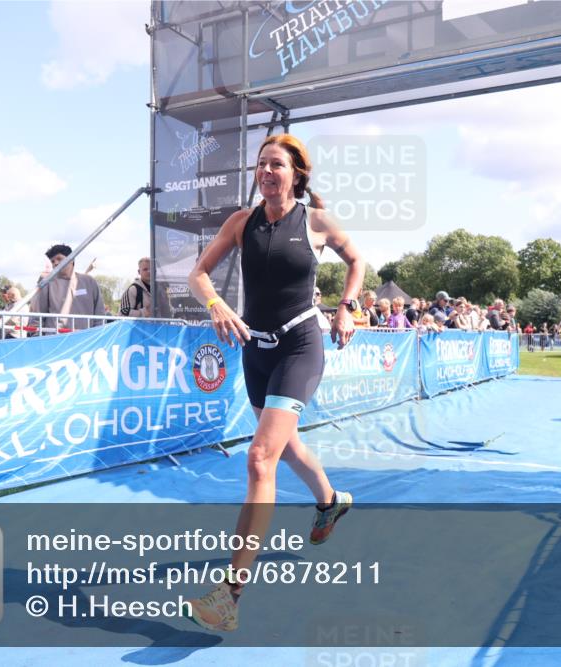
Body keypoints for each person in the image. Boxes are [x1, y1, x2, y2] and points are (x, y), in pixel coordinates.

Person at [186, 134, 362, 631]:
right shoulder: (241, 223)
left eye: (276, 164)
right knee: (285, 447)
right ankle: (330, 501)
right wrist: (216, 305)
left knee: (260, 456)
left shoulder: (317, 222)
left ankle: (230, 595)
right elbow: (199, 274)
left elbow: (357, 261)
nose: (266, 171)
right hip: (255, 350)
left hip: (299, 346)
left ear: (296, 174)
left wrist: (346, 307)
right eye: (261, 164)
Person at [30, 244, 105, 332]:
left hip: (86, 338)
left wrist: (98, 334)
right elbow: (37, 315)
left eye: (59, 259)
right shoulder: (47, 284)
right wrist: (36, 335)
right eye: (52, 261)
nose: (55, 263)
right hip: (56, 338)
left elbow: (99, 313)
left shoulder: (89, 282)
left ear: (71, 259)